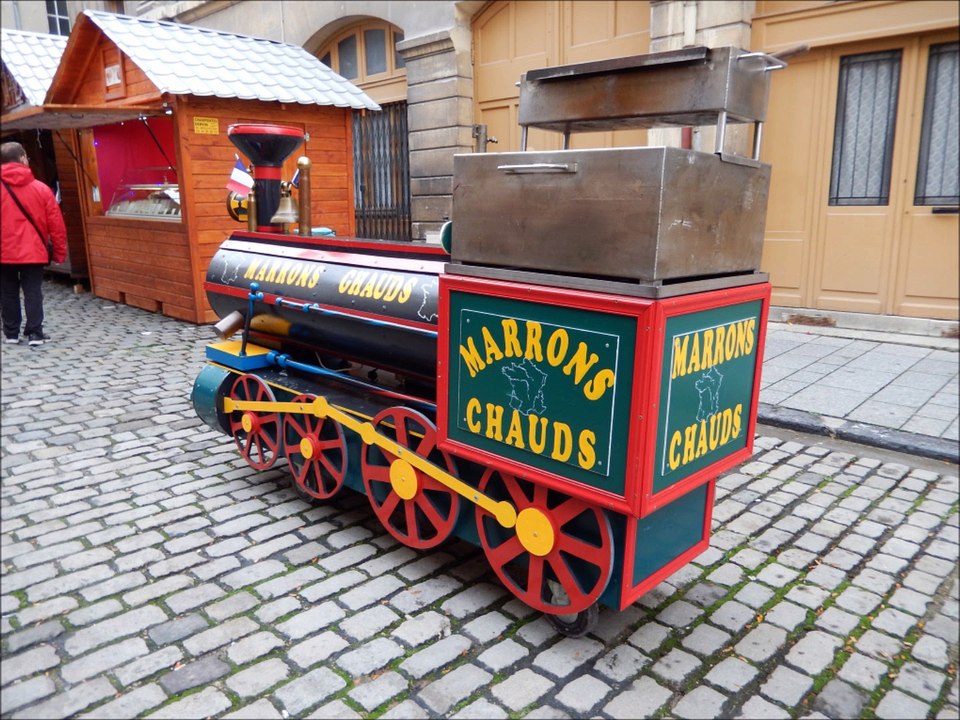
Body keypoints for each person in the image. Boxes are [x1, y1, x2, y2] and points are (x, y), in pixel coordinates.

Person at [1, 141, 67, 346]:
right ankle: (35, 333)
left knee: (7, 292)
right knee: (33, 291)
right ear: (22, 159)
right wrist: (58, 253)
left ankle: (11, 333)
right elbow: (56, 225)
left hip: (4, 252)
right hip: (34, 250)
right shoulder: (41, 189)